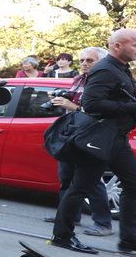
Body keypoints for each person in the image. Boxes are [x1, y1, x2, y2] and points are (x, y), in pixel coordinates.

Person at [50, 29, 136, 256]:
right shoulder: (104, 69)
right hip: (99, 139)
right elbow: (92, 105)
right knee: (79, 188)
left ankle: (129, 239)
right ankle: (62, 236)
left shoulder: (120, 68)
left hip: (116, 139)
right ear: (117, 46)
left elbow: (118, 99)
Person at [44, 47, 114, 244]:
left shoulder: (106, 83)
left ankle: (104, 223)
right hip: (71, 135)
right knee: (66, 178)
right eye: (82, 60)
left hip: (90, 137)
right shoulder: (78, 79)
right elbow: (74, 102)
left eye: (89, 60)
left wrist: (71, 106)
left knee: (92, 182)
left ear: (102, 62)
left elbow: (100, 112)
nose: (84, 63)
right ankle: (67, 216)